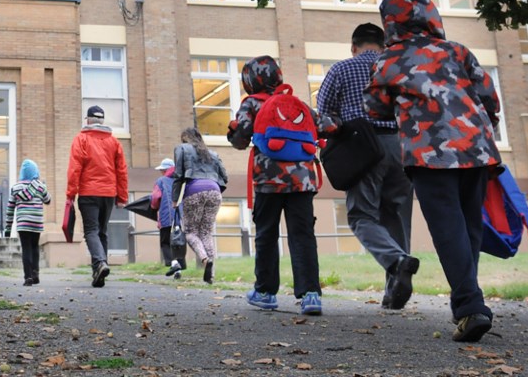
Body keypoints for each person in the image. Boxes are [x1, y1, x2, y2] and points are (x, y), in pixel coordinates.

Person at [364, 0, 502, 343]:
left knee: (447, 229)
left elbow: (375, 108)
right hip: (476, 148)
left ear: (390, 22)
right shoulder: (457, 51)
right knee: (469, 226)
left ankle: (471, 307)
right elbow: (489, 95)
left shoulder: (389, 58)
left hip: (430, 152)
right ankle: (469, 302)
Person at [316, 23, 418, 310]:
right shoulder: (399, 69)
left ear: (353, 46)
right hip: (401, 147)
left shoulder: (341, 69)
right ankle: (393, 291)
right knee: (397, 216)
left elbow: (324, 113)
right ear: (383, 46)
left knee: (362, 216)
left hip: (364, 147)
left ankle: (397, 262)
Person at [230, 55, 324, 315]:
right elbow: (323, 126)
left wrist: (234, 130)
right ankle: (311, 295)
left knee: (267, 234)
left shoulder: (251, 103)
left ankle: (265, 291)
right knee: (303, 235)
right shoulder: (296, 103)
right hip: (302, 180)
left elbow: (240, 138)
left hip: (268, 180)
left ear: (250, 80)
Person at [66, 105, 129, 288]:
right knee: (102, 232)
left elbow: (74, 168)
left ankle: (100, 262)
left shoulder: (81, 139)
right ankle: (99, 271)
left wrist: (71, 193)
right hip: (109, 193)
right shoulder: (114, 142)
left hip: (88, 192)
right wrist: (122, 197)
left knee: (91, 231)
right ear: (102, 121)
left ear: (88, 120)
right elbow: (122, 171)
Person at [171, 127, 228, 284]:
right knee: (206, 233)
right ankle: (212, 273)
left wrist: (174, 199)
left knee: (190, 232)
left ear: (185, 139)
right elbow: (225, 176)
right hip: (215, 191)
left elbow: (178, 176)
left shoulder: (182, 149)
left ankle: (204, 259)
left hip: (194, 190)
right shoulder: (213, 154)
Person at [4, 158, 52, 286]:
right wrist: (44, 186)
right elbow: (48, 200)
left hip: (23, 223)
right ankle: (35, 274)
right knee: (35, 246)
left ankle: (28, 277)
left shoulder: (15, 187)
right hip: (36, 222)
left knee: (26, 249)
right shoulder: (40, 186)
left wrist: (8, 229)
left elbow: (10, 208)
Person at [150, 157, 187, 278]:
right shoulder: (181, 180)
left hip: (167, 216)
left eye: (162, 170)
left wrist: (153, 206)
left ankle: (174, 264)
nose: (161, 172)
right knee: (178, 243)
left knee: (165, 243)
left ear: (165, 170)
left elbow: (155, 198)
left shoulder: (161, 181)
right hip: (180, 217)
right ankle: (178, 270)